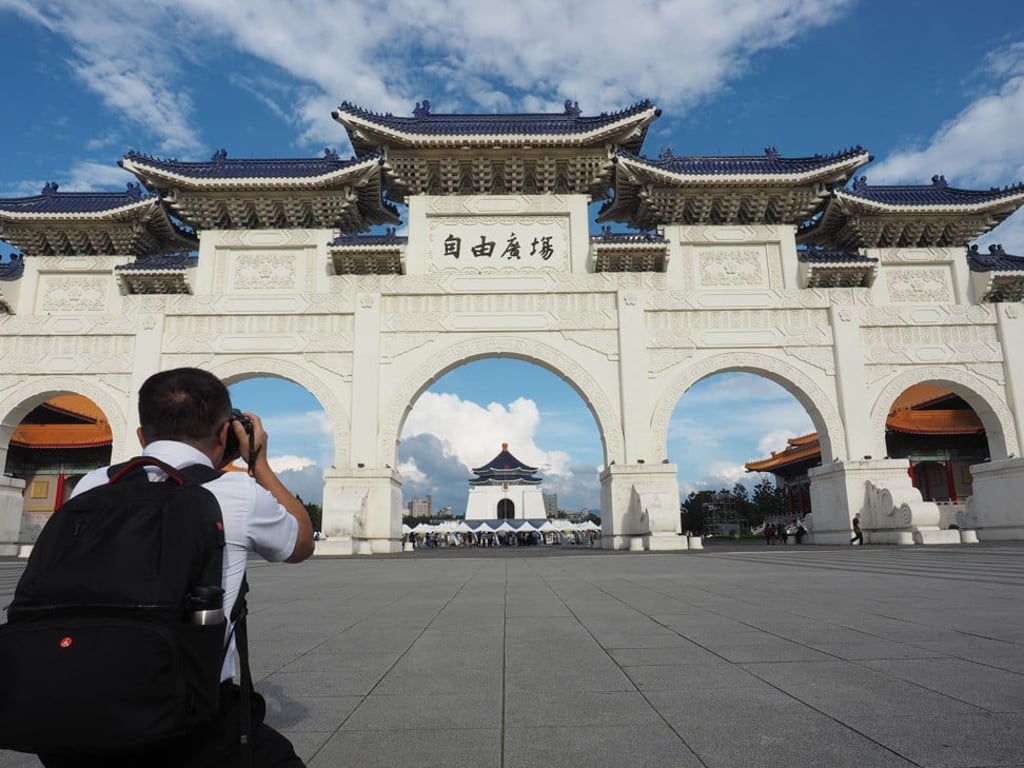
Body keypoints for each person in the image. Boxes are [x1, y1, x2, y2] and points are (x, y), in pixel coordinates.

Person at [40, 367, 314, 768]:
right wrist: (259, 463)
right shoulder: (235, 491)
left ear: (140, 436)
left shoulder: (93, 484)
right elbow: (300, 543)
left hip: (69, 713)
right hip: (189, 722)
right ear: (225, 434)